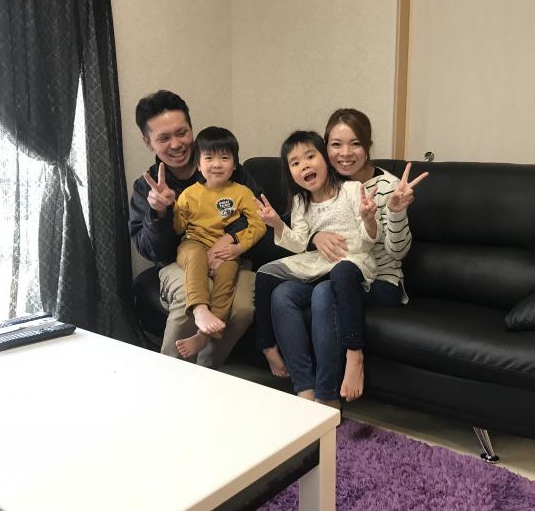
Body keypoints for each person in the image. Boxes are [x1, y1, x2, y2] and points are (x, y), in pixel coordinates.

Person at [271, 108, 428, 402]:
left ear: (367, 147)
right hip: (331, 271)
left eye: (355, 143)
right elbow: (308, 228)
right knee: (283, 293)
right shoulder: (322, 181)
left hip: (379, 279)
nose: (345, 153)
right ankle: (304, 389)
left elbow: (397, 253)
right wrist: (315, 237)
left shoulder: (388, 187)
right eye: (336, 144)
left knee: (325, 292)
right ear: (324, 148)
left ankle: (328, 394)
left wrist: (395, 212)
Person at [128, 90, 261, 368]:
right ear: (148, 142)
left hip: (232, 256)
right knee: (190, 295)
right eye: (164, 138)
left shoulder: (230, 170)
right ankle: (171, 376)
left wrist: (229, 239)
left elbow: (259, 215)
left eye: (182, 133)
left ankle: (205, 371)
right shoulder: (147, 187)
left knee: (243, 308)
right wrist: (160, 213)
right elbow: (153, 251)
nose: (176, 144)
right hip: (179, 261)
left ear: (191, 129)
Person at [253, 130, 380, 408]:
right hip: (319, 265)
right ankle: (304, 389)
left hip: (351, 262)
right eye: (295, 162)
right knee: (278, 289)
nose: (305, 165)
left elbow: (369, 239)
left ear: (325, 158)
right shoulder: (301, 201)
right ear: (290, 172)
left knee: (331, 284)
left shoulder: (350, 190)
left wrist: (369, 219)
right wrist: (277, 224)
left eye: (311, 156)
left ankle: (331, 389)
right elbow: (299, 243)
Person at [171, 126, 266, 358]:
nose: (217, 164)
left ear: (234, 165)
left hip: (226, 249)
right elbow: (177, 227)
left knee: (228, 273)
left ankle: (204, 335)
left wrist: (238, 247)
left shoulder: (242, 192)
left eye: (224, 158)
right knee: (196, 257)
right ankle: (199, 309)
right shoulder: (189, 194)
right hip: (193, 243)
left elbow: (258, 224)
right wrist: (168, 207)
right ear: (198, 164)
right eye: (209, 158)